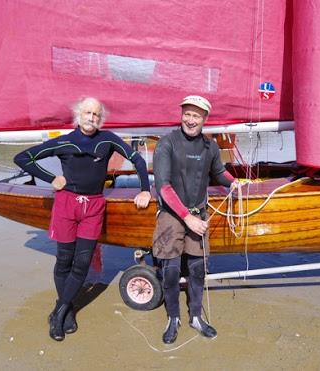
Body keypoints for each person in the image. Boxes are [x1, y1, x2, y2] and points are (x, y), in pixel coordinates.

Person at [14, 97, 151, 341]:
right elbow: (23, 158)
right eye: (88, 112)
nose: (92, 117)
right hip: (67, 205)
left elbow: (137, 159)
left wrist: (144, 189)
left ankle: (59, 312)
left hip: (94, 206)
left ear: (101, 119)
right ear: (79, 115)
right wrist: (51, 178)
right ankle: (66, 310)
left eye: (96, 114)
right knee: (64, 259)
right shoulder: (65, 141)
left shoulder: (107, 139)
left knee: (83, 262)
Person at [152, 95, 239, 344]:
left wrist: (234, 184)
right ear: (181, 114)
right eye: (187, 114)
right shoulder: (166, 143)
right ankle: (173, 317)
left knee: (197, 270)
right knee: (169, 271)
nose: (191, 120)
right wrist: (187, 218)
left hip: (198, 213)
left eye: (196, 115)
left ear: (205, 119)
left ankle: (196, 317)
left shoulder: (209, 147)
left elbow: (218, 172)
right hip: (172, 215)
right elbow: (163, 186)